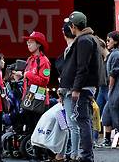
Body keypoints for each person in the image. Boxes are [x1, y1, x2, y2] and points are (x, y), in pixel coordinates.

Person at [59, 11, 99, 162]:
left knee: (82, 121)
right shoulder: (86, 39)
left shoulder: (84, 41)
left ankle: (86, 156)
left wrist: (76, 89)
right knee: (80, 121)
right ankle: (84, 155)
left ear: (73, 26)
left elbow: (82, 67)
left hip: (82, 89)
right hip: (82, 87)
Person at [22, 31, 51, 162]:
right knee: (30, 128)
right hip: (28, 100)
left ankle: (41, 155)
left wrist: (28, 75)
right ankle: (35, 154)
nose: (28, 43)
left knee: (38, 128)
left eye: (31, 41)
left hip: (39, 102)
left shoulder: (44, 61)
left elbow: (44, 81)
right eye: (28, 41)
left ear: (39, 44)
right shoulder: (29, 60)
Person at [101, 31, 119, 147]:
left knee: (117, 114)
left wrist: (110, 87)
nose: (107, 43)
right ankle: (109, 140)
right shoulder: (115, 54)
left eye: (109, 40)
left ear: (116, 41)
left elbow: (114, 73)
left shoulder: (116, 55)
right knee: (107, 114)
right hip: (118, 90)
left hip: (118, 90)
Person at [56, 21, 78, 162]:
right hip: (68, 91)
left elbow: (71, 73)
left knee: (72, 124)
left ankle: (74, 154)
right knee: (66, 123)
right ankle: (66, 153)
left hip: (71, 91)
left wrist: (64, 90)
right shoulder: (71, 48)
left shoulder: (73, 49)